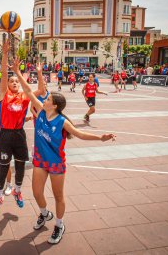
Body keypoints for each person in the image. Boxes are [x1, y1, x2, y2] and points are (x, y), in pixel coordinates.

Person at [13, 64, 116, 245]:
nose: (44, 100)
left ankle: (59, 225)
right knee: (37, 193)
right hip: (40, 161)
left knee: (58, 195)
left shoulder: (62, 122)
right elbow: (29, 91)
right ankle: (45, 214)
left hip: (56, 163)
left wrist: (101, 137)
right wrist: (17, 72)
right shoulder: (41, 112)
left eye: (48, 99)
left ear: (54, 105)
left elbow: (80, 134)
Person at [0, 40, 44, 213]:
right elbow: (4, 74)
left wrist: (40, 73)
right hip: (5, 134)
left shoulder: (25, 96)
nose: (14, 83)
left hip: (19, 135)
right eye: (12, 81)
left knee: (20, 165)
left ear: (20, 84)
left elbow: (41, 90)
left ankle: (17, 191)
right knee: (4, 165)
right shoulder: (5, 95)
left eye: (16, 81)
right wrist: (4, 54)